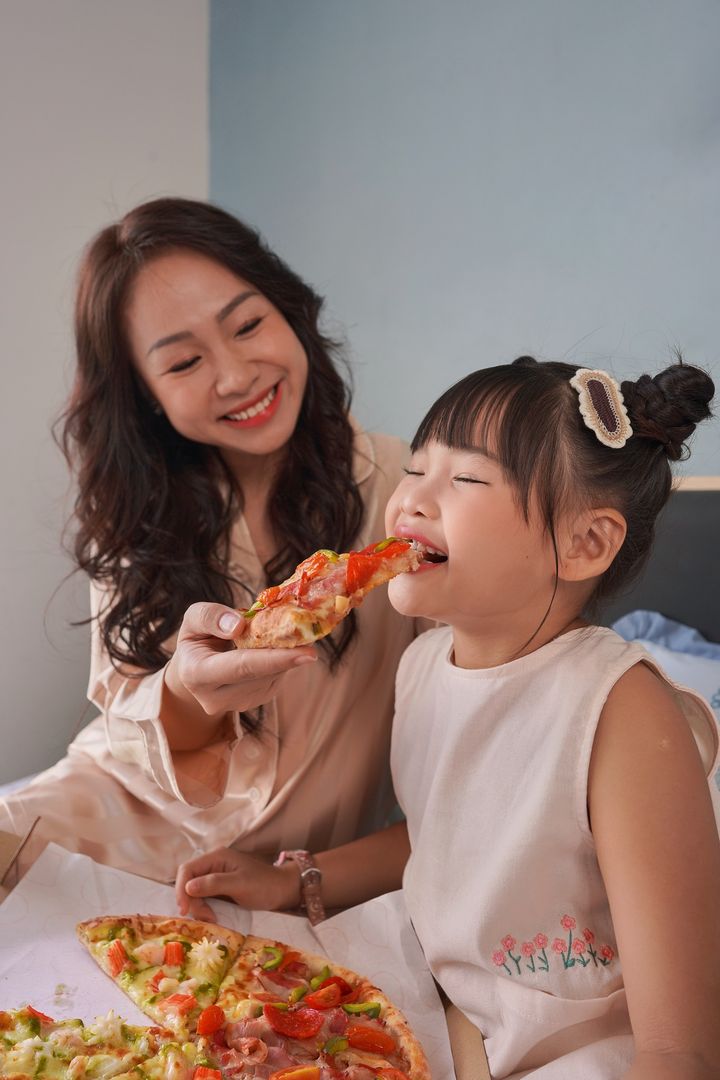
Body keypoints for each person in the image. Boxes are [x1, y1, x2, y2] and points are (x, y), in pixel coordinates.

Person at [177, 357, 720, 1079]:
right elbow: (451, 838)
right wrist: (298, 881)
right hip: (446, 1010)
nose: (411, 500)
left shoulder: (621, 713)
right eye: (415, 468)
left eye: (465, 478)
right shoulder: (425, 665)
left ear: (584, 543)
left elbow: (680, 1047)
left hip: (574, 1049)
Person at [0, 197, 417, 885]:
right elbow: (128, 723)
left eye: (248, 325)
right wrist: (186, 691)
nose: (235, 376)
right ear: (146, 394)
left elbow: (476, 765)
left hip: (272, 868)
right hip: (107, 817)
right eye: (184, 362)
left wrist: (302, 880)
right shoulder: (137, 511)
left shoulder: (407, 494)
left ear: (289, 311)